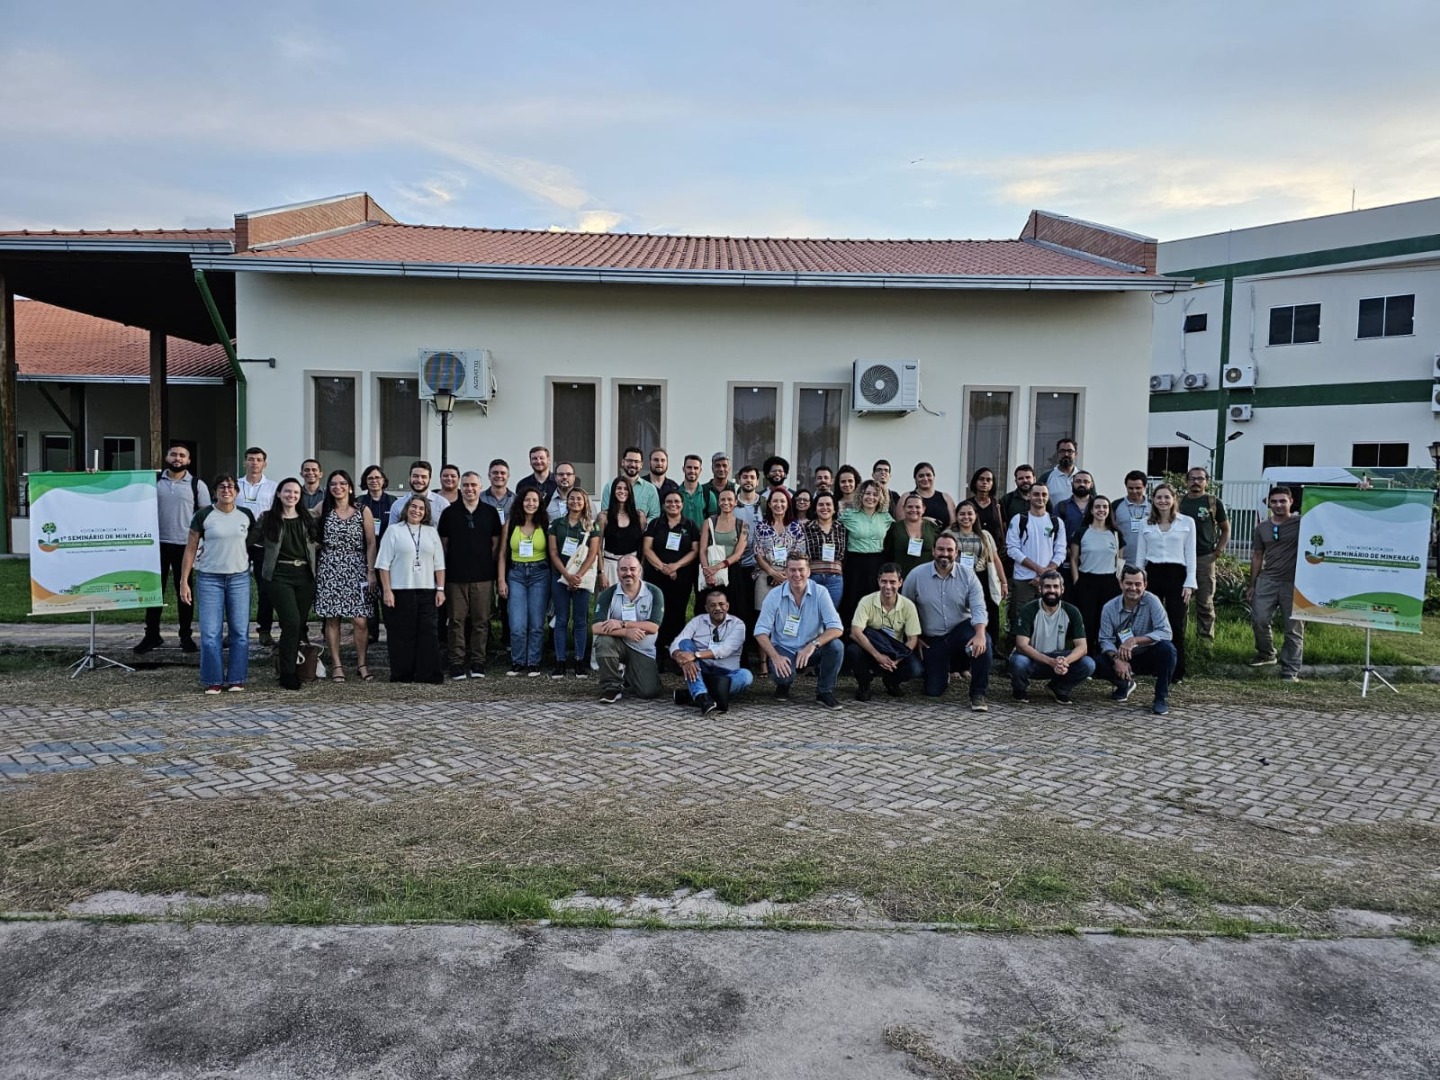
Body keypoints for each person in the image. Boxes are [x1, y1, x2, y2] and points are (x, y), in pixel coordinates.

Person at [179, 474, 254, 693]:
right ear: (214, 491)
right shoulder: (204, 515)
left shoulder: (246, 515)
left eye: (231, 487)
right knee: (210, 633)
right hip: (210, 578)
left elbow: (253, 543)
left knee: (239, 632)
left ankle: (237, 677)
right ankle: (213, 679)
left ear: (237, 492)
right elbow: (191, 548)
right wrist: (184, 581)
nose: (226, 490)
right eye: (221, 486)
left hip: (239, 578)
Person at [901, 533, 992, 708]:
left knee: (983, 643)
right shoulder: (916, 575)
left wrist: (980, 633)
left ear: (956, 553)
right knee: (933, 690)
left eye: (949, 550)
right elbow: (905, 609)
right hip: (932, 638)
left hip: (961, 631)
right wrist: (914, 637)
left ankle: (978, 694)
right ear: (933, 551)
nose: (945, 553)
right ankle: (946, 671)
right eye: (941, 549)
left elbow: (979, 608)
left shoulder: (968, 575)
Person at [136, 441, 211, 654]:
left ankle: (185, 636)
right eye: (173, 454)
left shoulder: (197, 485)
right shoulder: (153, 482)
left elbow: (206, 515)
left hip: (185, 546)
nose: (177, 458)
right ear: (167, 457)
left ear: (188, 460)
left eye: (182, 455)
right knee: (154, 592)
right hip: (155, 545)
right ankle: (151, 635)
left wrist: (202, 544)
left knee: (184, 591)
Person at [754, 553, 845, 709]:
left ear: (809, 571)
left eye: (801, 570)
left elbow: (837, 628)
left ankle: (825, 692)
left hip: (811, 649)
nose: (797, 574)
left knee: (836, 646)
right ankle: (783, 685)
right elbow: (760, 631)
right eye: (792, 570)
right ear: (786, 571)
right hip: (784, 649)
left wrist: (813, 645)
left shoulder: (821, 592)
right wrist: (775, 657)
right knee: (782, 676)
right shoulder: (774, 595)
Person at [314, 469, 378, 683]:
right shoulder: (323, 508)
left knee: (360, 620)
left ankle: (362, 664)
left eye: (342, 483)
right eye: (333, 484)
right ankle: (337, 665)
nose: (338, 487)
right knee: (332, 619)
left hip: (357, 567)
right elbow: (303, 521)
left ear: (350, 486)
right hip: (330, 567)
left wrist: (371, 571)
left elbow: (371, 542)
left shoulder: (362, 510)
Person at [437, 470, 502, 680]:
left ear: (480, 487)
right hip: (455, 577)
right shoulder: (450, 513)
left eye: (473, 485)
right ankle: (456, 663)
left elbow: (495, 545)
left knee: (481, 621)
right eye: (465, 485)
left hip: (483, 576)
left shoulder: (490, 512)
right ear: (460, 487)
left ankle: (478, 662)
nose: (469, 489)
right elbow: (443, 545)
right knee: (456, 621)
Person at [375, 493, 445, 684]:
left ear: (426, 512)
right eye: (413, 507)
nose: (417, 511)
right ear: (407, 509)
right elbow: (383, 564)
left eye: (421, 508)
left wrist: (440, 589)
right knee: (401, 634)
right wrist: (387, 590)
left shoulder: (431, 532)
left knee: (428, 633)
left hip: (427, 590)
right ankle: (402, 675)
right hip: (400, 589)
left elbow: (439, 564)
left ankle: (427, 674)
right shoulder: (394, 531)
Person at [257, 478, 319, 690]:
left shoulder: (308, 518)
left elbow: (316, 542)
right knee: (291, 621)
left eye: (295, 492)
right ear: (278, 494)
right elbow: (250, 542)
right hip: (279, 576)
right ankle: (288, 673)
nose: (291, 495)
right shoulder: (268, 518)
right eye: (287, 491)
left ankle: (294, 665)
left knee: (296, 625)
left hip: (305, 577)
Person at [1136, 482, 1197, 683]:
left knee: (1175, 623)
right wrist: (1137, 581)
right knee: (1151, 622)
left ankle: (1176, 670)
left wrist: (1189, 582)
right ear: (1153, 500)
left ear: (1174, 500)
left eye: (1166, 497)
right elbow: (1140, 556)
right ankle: (1154, 666)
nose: (1163, 501)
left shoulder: (1187, 522)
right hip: (1152, 574)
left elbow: (1190, 554)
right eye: (1159, 497)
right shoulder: (1146, 523)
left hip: (1177, 575)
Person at [1097, 566, 1177, 715]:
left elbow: (1166, 632)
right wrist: (1116, 659)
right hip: (1122, 656)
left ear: (1145, 585)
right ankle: (1124, 684)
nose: (1133, 588)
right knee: (1098, 662)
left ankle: (1160, 698)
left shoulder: (1152, 601)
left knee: (1168, 649)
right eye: (1128, 583)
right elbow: (1105, 639)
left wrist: (1135, 640)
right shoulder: (1109, 607)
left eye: (1137, 584)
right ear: (1120, 583)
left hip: (1148, 654)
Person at [1009, 569, 1096, 704]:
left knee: (1088, 664)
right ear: (1040, 589)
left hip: (1058, 659)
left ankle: (1059, 688)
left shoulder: (1072, 611)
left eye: (1056, 586)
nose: (1052, 590)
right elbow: (1021, 645)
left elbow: (1082, 647)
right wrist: (1050, 661)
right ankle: (1019, 690)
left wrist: (1065, 661)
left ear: (1062, 589)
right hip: (1032, 659)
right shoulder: (1029, 609)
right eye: (1047, 586)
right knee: (1019, 663)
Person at [1248, 486, 1304, 681]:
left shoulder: (1302, 523)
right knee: (1259, 619)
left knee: (1293, 628)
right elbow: (1257, 555)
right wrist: (1252, 584)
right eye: (1274, 502)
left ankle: (1290, 671)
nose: (1278, 505)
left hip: (1294, 583)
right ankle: (1267, 653)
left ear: (1291, 502)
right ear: (1269, 504)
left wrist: (1361, 490)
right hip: (1268, 580)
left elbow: (1328, 515)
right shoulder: (1262, 527)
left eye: (1283, 501)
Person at [592, 554, 664, 703]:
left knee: (648, 692)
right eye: (623, 569)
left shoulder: (654, 592)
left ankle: (630, 675)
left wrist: (623, 624)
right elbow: (596, 627)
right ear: (617, 572)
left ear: (640, 570)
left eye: (632, 569)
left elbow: (653, 626)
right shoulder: (608, 594)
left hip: (642, 650)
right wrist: (626, 632)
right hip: (617, 644)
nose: (628, 573)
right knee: (603, 641)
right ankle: (611, 687)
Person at [669, 588, 753, 714]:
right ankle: (702, 696)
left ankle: (693, 693)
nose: (718, 608)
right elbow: (677, 642)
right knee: (684, 643)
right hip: (702, 669)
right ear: (707, 608)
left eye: (721, 604)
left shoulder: (738, 624)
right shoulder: (697, 621)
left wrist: (694, 655)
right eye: (712, 605)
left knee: (746, 676)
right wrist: (680, 657)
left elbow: (725, 650)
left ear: (727, 606)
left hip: (726, 674)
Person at [847, 562, 922, 700]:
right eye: (884, 581)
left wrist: (896, 660)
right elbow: (855, 631)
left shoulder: (908, 605)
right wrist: (877, 655)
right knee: (853, 650)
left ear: (900, 582)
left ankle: (891, 681)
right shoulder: (866, 601)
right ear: (878, 582)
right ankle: (864, 684)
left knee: (915, 669)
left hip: (894, 650)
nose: (888, 586)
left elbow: (912, 639)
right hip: (870, 649)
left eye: (892, 582)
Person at [642, 489, 702, 663]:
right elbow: (647, 549)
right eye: (669, 501)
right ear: (663, 504)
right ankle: (657, 653)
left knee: (677, 614)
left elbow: (695, 550)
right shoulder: (655, 524)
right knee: (657, 613)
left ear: (682, 504)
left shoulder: (690, 525)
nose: (673, 504)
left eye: (677, 501)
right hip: (656, 577)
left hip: (681, 578)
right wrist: (664, 568)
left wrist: (676, 566)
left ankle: (676, 653)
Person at [497, 487, 550, 676]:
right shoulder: (510, 524)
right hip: (516, 574)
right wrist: (501, 580)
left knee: (536, 623)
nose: (531, 504)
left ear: (540, 504)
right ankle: (518, 662)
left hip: (540, 574)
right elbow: (503, 554)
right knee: (517, 624)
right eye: (527, 500)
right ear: (520, 502)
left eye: (535, 501)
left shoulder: (544, 523)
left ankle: (533, 662)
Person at [549, 486, 601, 678]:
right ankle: (560, 661)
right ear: (566, 501)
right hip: (559, 577)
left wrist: (577, 576)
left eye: (579, 498)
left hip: (582, 579)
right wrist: (566, 575)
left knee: (580, 620)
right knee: (561, 619)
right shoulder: (556, 524)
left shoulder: (591, 526)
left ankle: (579, 660)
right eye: (572, 498)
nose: (575, 502)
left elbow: (593, 553)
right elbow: (553, 552)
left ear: (585, 502)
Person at [1006, 483, 1065, 645]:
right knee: (1019, 617)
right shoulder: (1019, 519)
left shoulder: (1056, 522)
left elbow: (1061, 552)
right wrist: (1038, 570)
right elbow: (1012, 549)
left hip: (1049, 581)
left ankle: (1045, 652)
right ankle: (1014, 654)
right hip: (1023, 579)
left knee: (1046, 617)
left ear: (1048, 497)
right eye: (1036, 494)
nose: (1040, 498)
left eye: (1044, 495)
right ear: (1030, 496)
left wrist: (1045, 574)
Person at [1067, 495, 1124, 657]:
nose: (1101, 510)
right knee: (1088, 622)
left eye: (1105, 507)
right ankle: (1087, 657)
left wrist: (1119, 583)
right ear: (1091, 510)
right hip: (1087, 581)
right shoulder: (1082, 532)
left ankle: (1106, 657)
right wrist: (1077, 580)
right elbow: (1074, 559)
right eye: (1097, 507)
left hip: (1110, 582)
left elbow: (1120, 561)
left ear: (1109, 510)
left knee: (1106, 622)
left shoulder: (1116, 534)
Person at [1179, 467, 1230, 641]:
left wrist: (1217, 552)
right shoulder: (1178, 502)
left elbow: (1225, 530)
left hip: (1204, 558)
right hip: (1180, 559)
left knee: (1205, 602)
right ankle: (1180, 640)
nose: (1196, 482)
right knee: (1180, 603)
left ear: (1206, 481)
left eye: (1200, 479)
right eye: (1192, 479)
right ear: (1187, 481)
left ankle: (1205, 642)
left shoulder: (1213, 503)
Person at [237, 446, 278, 648]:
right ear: (244, 462)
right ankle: (237, 630)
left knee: (265, 589)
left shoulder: (273, 487)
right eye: (251, 459)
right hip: (237, 545)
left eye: (259, 459)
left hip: (263, 545)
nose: (254, 463)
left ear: (265, 463)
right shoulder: (235, 486)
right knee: (237, 588)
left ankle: (264, 630)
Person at [839, 479, 891, 627]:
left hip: (877, 563)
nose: (871, 497)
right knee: (853, 600)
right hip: (855, 563)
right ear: (861, 495)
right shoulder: (849, 515)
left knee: (875, 600)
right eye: (867, 493)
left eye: (875, 494)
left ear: (881, 497)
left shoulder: (886, 517)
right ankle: (851, 635)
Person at [953, 501, 1006, 640]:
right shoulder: (949, 534)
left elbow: (995, 559)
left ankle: (992, 646)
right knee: (967, 612)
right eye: (962, 514)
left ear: (975, 515)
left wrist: (1004, 582)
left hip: (983, 576)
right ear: (956, 516)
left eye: (969, 513)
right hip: (960, 577)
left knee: (990, 610)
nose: (966, 517)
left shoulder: (985, 535)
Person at [752, 488, 806, 616]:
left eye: (782, 501)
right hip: (766, 573)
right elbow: (758, 554)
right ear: (769, 504)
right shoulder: (761, 527)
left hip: (790, 575)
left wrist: (785, 574)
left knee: (787, 614)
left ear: (788, 504)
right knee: (764, 614)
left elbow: (800, 554)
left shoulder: (796, 527)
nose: (779, 504)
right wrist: (772, 573)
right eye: (775, 501)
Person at [699, 486, 750, 620]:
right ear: (718, 502)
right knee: (709, 609)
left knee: (733, 609)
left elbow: (739, 553)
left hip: (732, 571)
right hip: (710, 570)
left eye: (729, 499)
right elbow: (702, 549)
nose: (726, 502)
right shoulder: (709, 522)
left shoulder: (743, 525)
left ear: (735, 502)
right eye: (722, 499)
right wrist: (707, 571)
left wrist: (719, 566)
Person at [598, 475, 647, 590]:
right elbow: (598, 548)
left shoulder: (639, 516)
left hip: (633, 568)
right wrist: (601, 572)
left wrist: (641, 568)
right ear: (613, 491)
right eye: (619, 488)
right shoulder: (603, 517)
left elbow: (644, 547)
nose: (622, 491)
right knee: (609, 605)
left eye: (625, 489)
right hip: (611, 566)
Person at [803, 491, 847, 609]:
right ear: (815, 508)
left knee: (830, 613)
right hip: (813, 577)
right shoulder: (807, 528)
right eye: (821, 505)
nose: (825, 508)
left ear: (834, 509)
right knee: (812, 612)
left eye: (828, 504)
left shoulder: (842, 528)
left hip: (835, 579)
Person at [885, 493, 940, 578]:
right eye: (910, 507)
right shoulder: (895, 528)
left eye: (917, 507)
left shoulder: (932, 528)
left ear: (923, 509)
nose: (913, 510)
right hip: (901, 577)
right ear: (904, 508)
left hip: (927, 577)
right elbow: (887, 554)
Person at [601, 447, 661, 521]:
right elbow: (605, 513)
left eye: (636, 461)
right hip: (615, 531)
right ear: (623, 462)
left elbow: (655, 515)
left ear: (641, 464)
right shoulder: (609, 487)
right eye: (629, 461)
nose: (632, 464)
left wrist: (640, 527)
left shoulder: (650, 489)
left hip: (641, 532)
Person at [388, 460, 449, 525]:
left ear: (429, 479)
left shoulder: (442, 504)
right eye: (415, 476)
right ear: (409, 478)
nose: (419, 480)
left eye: (423, 477)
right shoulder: (398, 505)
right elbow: (391, 532)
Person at [1055, 470, 1095, 568]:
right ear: (1072, 483)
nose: (1082, 484)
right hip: (1066, 561)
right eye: (1078, 481)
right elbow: (1054, 534)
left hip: (1093, 561)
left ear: (1092, 485)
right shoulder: (1061, 506)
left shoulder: (1100, 506)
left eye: (1086, 482)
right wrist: (1068, 551)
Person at [965, 467, 1006, 557]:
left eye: (988, 480)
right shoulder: (967, 505)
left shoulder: (998, 504)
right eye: (981, 479)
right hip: (972, 551)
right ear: (975, 482)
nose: (985, 482)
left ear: (992, 484)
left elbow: (1004, 527)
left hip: (995, 552)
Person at [1116, 471, 1151, 566]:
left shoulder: (1154, 506)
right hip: (1123, 562)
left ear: (1145, 487)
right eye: (1130, 488)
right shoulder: (1116, 506)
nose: (1134, 491)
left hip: (1149, 562)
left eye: (1138, 488)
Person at [908, 462, 956, 527]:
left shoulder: (946, 498)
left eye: (928, 475)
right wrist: (924, 519)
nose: (925, 478)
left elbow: (953, 525)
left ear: (934, 477)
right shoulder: (907, 497)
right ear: (915, 478)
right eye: (921, 476)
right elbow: (902, 523)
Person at [1038, 437, 1080, 504]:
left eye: (1070, 451)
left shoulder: (1084, 478)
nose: (1066, 454)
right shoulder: (1046, 477)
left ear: (1076, 454)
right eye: (1062, 451)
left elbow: (1093, 501)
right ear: (1057, 454)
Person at [701, 451, 737, 518]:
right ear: (712, 468)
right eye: (717, 466)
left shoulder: (736, 489)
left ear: (729, 468)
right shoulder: (702, 490)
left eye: (724, 466)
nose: (721, 469)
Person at [677, 454, 708, 529]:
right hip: (680, 538)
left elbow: (713, 521)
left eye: (696, 468)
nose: (692, 471)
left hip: (700, 538)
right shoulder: (675, 493)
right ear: (683, 469)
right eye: (689, 467)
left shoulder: (708, 495)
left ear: (700, 470)